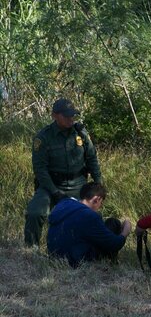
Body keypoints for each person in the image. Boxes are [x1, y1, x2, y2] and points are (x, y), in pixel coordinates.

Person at [24, 98, 102, 247]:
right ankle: (31, 250)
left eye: (72, 115)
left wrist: (98, 184)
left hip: (78, 184)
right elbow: (40, 170)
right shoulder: (43, 137)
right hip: (51, 184)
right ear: (54, 115)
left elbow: (92, 159)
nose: (70, 119)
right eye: (66, 115)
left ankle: (93, 251)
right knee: (35, 213)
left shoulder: (81, 134)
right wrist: (55, 192)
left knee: (93, 215)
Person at [47, 182, 131, 268]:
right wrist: (125, 231)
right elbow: (114, 244)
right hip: (75, 262)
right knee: (113, 223)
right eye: (101, 203)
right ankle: (111, 263)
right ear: (96, 199)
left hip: (54, 258)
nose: (100, 207)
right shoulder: (89, 216)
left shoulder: (63, 203)